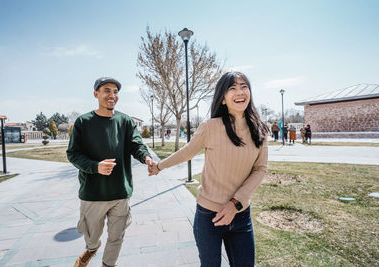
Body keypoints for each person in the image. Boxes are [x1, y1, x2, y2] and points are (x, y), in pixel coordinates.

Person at [149, 71, 269, 267]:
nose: (239, 92)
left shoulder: (260, 130)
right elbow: (187, 152)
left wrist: (235, 203)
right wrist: (159, 166)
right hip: (208, 217)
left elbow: (260, 169)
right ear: (222, 99)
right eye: (232, 88)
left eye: (243, 86)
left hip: (241, 216)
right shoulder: (210, 127)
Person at [66, 77, 155, 267]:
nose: (112, 95)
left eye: (115, 92)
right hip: (93, 194)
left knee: (116, 237)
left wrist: (146, 157)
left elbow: (137, 145)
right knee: (92, 236)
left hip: (120, 192)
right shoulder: (83, 122)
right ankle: (91, 249)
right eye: (107, 90)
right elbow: (73, 154)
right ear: (96, 94)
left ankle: (108, 264)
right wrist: (95, 166)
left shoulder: (125, 121)